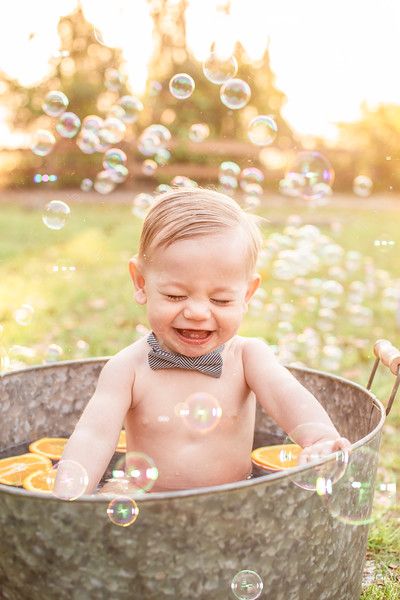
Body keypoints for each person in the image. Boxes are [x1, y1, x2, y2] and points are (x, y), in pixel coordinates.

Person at [54, 187, 350, 498]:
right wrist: (68, 495)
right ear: (141, 283)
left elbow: (289, 398)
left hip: (230, 502)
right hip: (145, 503)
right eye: (175, 295)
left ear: (247, 294)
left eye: (221, 299)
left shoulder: (249, 357)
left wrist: (318, 440)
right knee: (112, 499)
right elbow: (93, 436)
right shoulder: (127, 369)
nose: (196, 312)